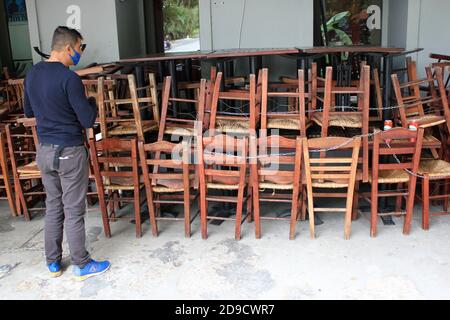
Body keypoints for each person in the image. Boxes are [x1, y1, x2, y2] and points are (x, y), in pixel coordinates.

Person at [24, 26, 111, 281]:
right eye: (80, 48)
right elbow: (86, 120)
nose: (80, 54)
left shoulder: (32, 74)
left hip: (45, 152)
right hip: (70, 152)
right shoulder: (69, 79)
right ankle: (82, 264)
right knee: (73, 210)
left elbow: (29, 112)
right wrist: (92, 103)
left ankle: (52, 262)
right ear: (68, 47)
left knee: (53, 206)